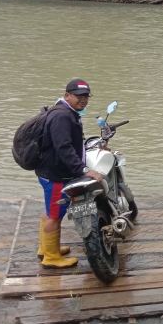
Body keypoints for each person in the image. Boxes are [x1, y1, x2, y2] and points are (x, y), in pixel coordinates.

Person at [35, 79, 103, 268]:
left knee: (50, 212)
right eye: (79, 96)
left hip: (49, 171)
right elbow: (63, 148)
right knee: (55, 217)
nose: (83, 100)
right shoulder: (62, 117)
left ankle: (46, 248)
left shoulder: (65, 111)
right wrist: (83, 170)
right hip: (56, 175)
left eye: (86, 96)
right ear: (67, 95)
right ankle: (51, 257)